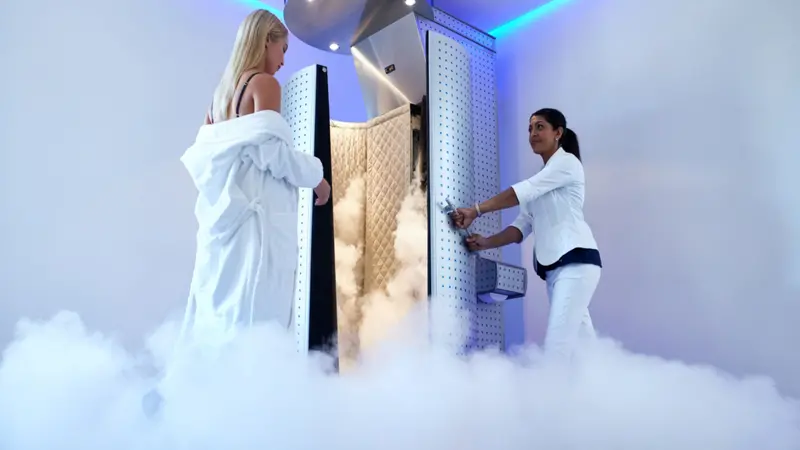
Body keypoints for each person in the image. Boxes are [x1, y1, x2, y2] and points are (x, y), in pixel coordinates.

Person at [179, 9, 331, 347]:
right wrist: (318, 178)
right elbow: (272, 154)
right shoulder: (264, 84)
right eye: (283, 50)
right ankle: (254, 394)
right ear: (266, 41)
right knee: (258, 316)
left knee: (220, 312)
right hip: (256, 228)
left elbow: (211, 154)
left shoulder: (220, 95)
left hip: (223, 225)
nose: (283, 61)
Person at [451, 108, 601, 360]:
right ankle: (606, 391)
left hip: (576, 261)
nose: (533, 133)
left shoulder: (566, 164)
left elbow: (520, 192)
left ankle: (551, 396)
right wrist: (486, 242)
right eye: (530, 129)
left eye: (540, 127)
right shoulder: (544, 178)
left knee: (558, 345)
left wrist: (476, 210)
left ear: (558, 133)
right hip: (556, 269)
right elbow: (521, 227)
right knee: (583, 344)